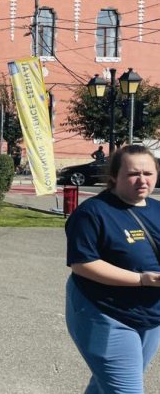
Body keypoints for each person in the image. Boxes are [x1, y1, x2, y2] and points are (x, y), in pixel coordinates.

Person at [65, 144, 160, 393]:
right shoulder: (93, 213)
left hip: (150, 316)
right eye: (133, 174)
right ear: (114, 177)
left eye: (148, 173)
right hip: (105, 313)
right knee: (125, 389)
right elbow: (83, 264)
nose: (142, 180)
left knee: (106, 384)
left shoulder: (157, 209)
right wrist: (141, 279)